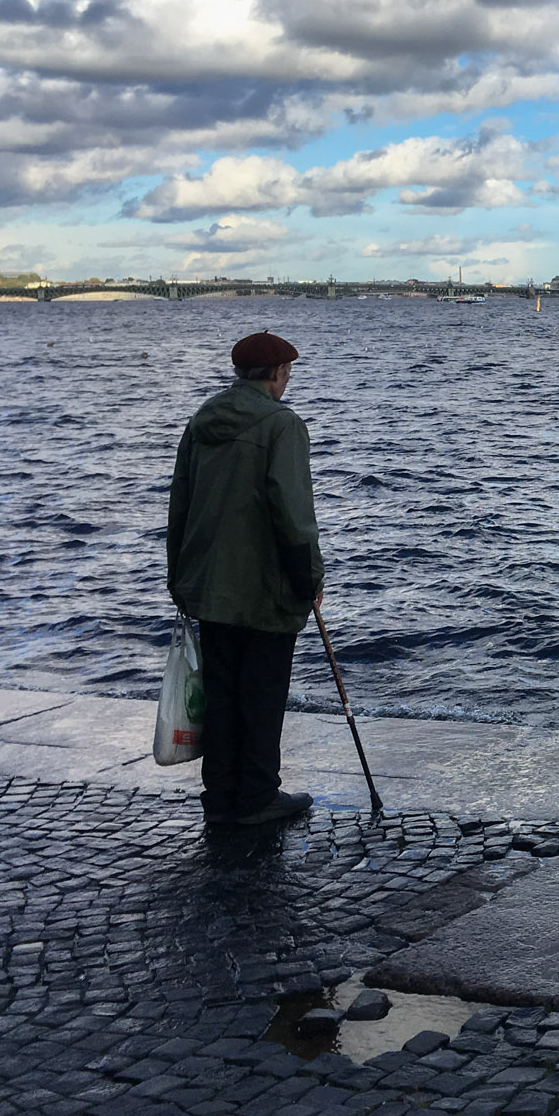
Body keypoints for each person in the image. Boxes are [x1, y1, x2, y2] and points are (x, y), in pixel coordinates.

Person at [167, 331, 325, 827]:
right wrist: (310, 577)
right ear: (278, 374)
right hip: (263, 589)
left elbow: (180, 504)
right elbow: (293, 512)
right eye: (288, 372)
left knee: (222, 691)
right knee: (260, 693)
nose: (288, 379)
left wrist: (179, 576)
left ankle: (220, 796)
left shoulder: (202, 421)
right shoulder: (283, 425)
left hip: (209, 584)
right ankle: (257, 795)